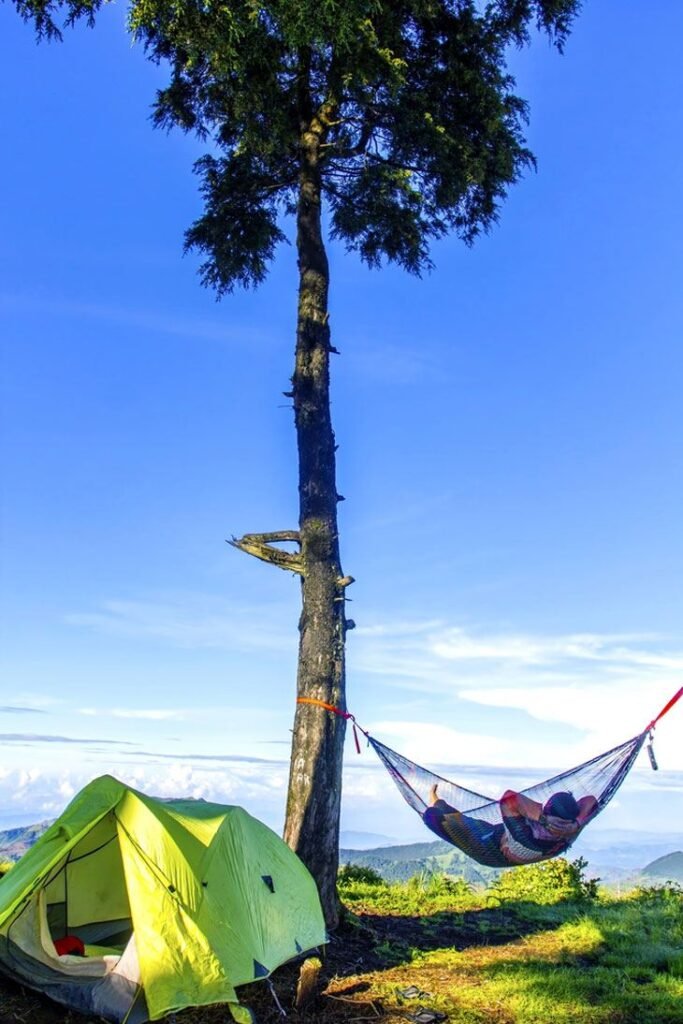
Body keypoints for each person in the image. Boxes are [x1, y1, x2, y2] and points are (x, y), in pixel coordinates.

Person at [423, 783, 598, 866]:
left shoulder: (527, 836)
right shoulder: (572, 829)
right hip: (498, 835)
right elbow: (591, 800)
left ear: (547, 812)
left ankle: (434, 802)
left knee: (434, 818)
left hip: (487, 849)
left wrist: (542, 819)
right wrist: (576, 823)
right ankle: (438, 801)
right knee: (461, 819)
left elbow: (508, 798)